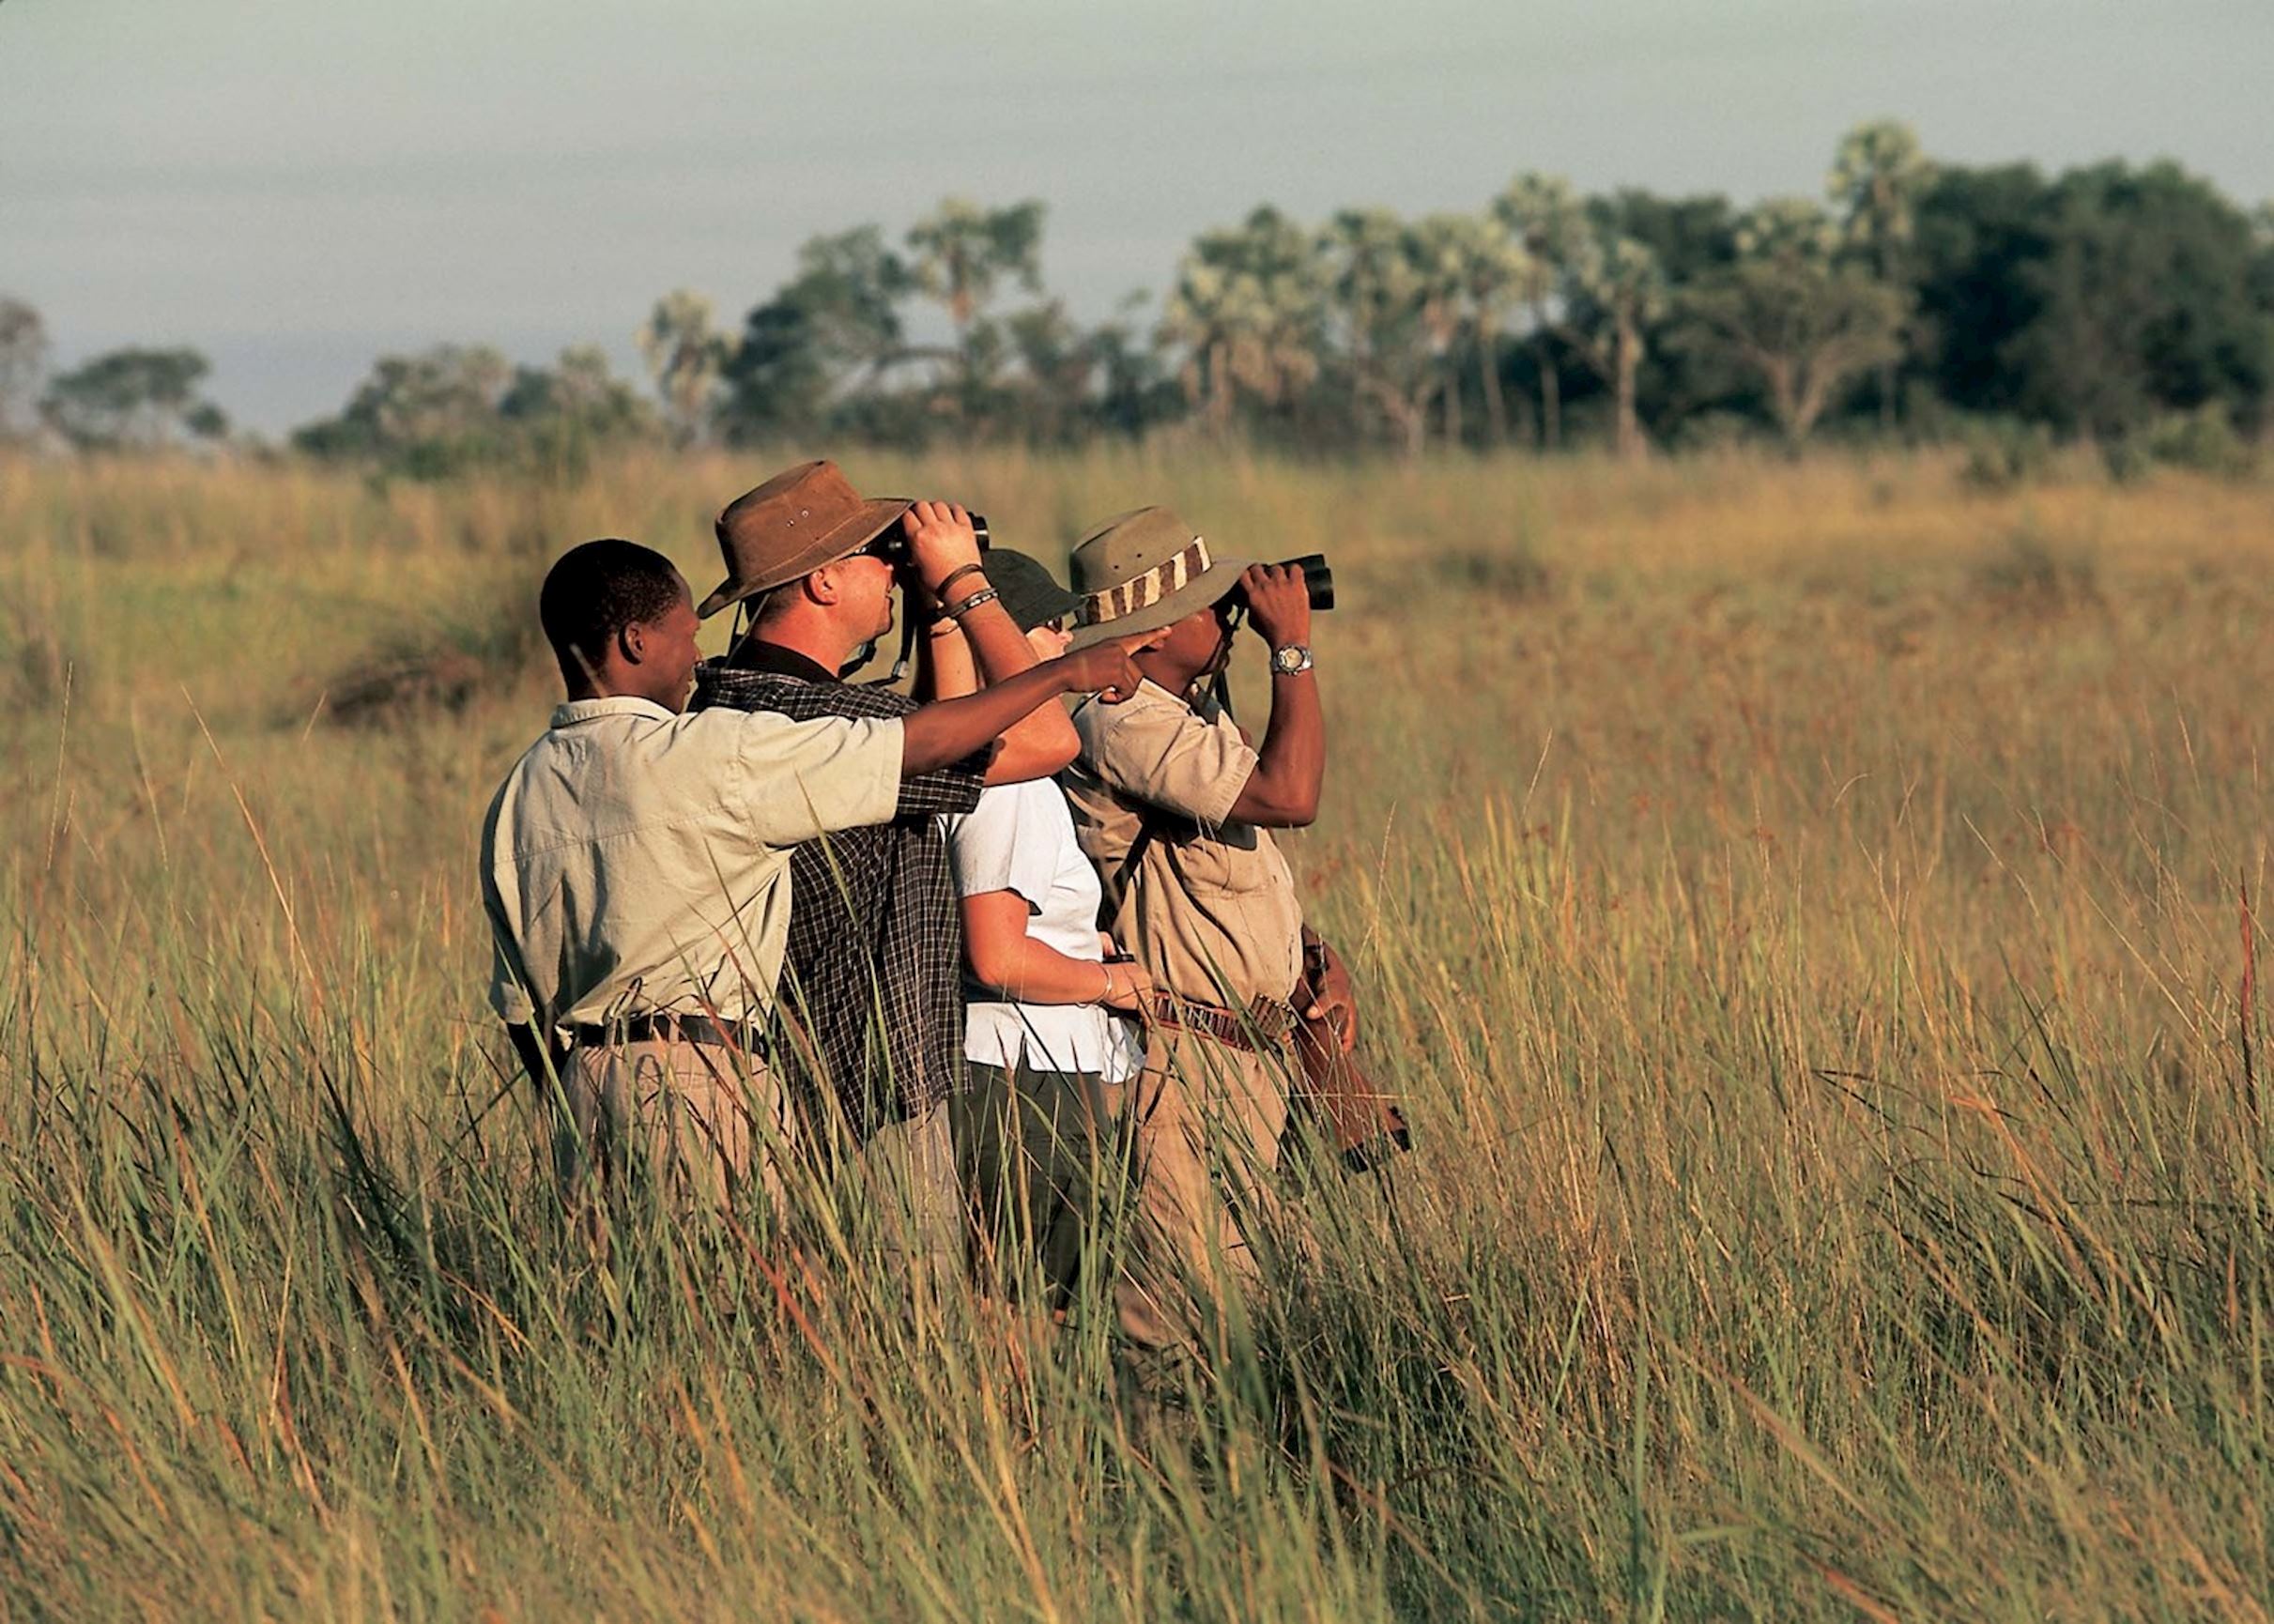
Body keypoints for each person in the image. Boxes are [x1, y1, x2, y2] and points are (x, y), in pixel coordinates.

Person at [480, 535, 1144, 1214]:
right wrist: (1044, 661)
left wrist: (580, 1094)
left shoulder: (521, 790)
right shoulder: (712, 750)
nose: (697, 659)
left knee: (622, 1313)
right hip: (702, 1072)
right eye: (685, 635)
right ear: (635, 642)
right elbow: (947, 743)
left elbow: (521, 1009)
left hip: (582, 1086)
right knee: (731, 1300)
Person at [686, 461, 1142, 1273]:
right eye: (877, 553)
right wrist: (966, 586)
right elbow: (1044, 741)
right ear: (824, 581)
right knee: (906, 1346)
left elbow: (934, 731)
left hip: (760, 1082)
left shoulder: (726, 704)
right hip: (869, 1084)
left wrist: (933, 626)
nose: (897, 568)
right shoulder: (826, 719)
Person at [1059, 505, 1356, 1357]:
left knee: (1264, 1317)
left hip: (1252, 1058)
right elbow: (1289, 798)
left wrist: (1312, 965)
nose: (1232, 612)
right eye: (1211, 604)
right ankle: (1151, 1480)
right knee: (1178, 1326)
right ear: (1149, 636)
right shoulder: (1123, 722)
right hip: (1187, 1066)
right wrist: (1291, 650)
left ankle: (1238, 1480)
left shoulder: (1188, 710)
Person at [936, 550, 1157, 1309]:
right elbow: (996, 954)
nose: (1066, 641)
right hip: (1023, 1074)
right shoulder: (1013, 782)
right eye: (1050, 626)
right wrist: (1110, 982)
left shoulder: (952, 754)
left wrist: (1077, 938)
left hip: (1003, 1067)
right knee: (1028, 1313)